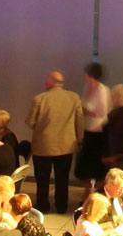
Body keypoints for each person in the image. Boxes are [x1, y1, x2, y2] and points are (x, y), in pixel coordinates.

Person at [26, 71, 83, 215]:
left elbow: (30, 121)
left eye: (47, 80)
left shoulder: (40, 99)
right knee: (62, 178)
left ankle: (43, 205)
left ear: (50, 82)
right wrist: (79, 138)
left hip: (43, 146)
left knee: (42, 178)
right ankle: (61, 205)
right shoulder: (74, 97)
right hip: (66, 145)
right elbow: (79, 121)